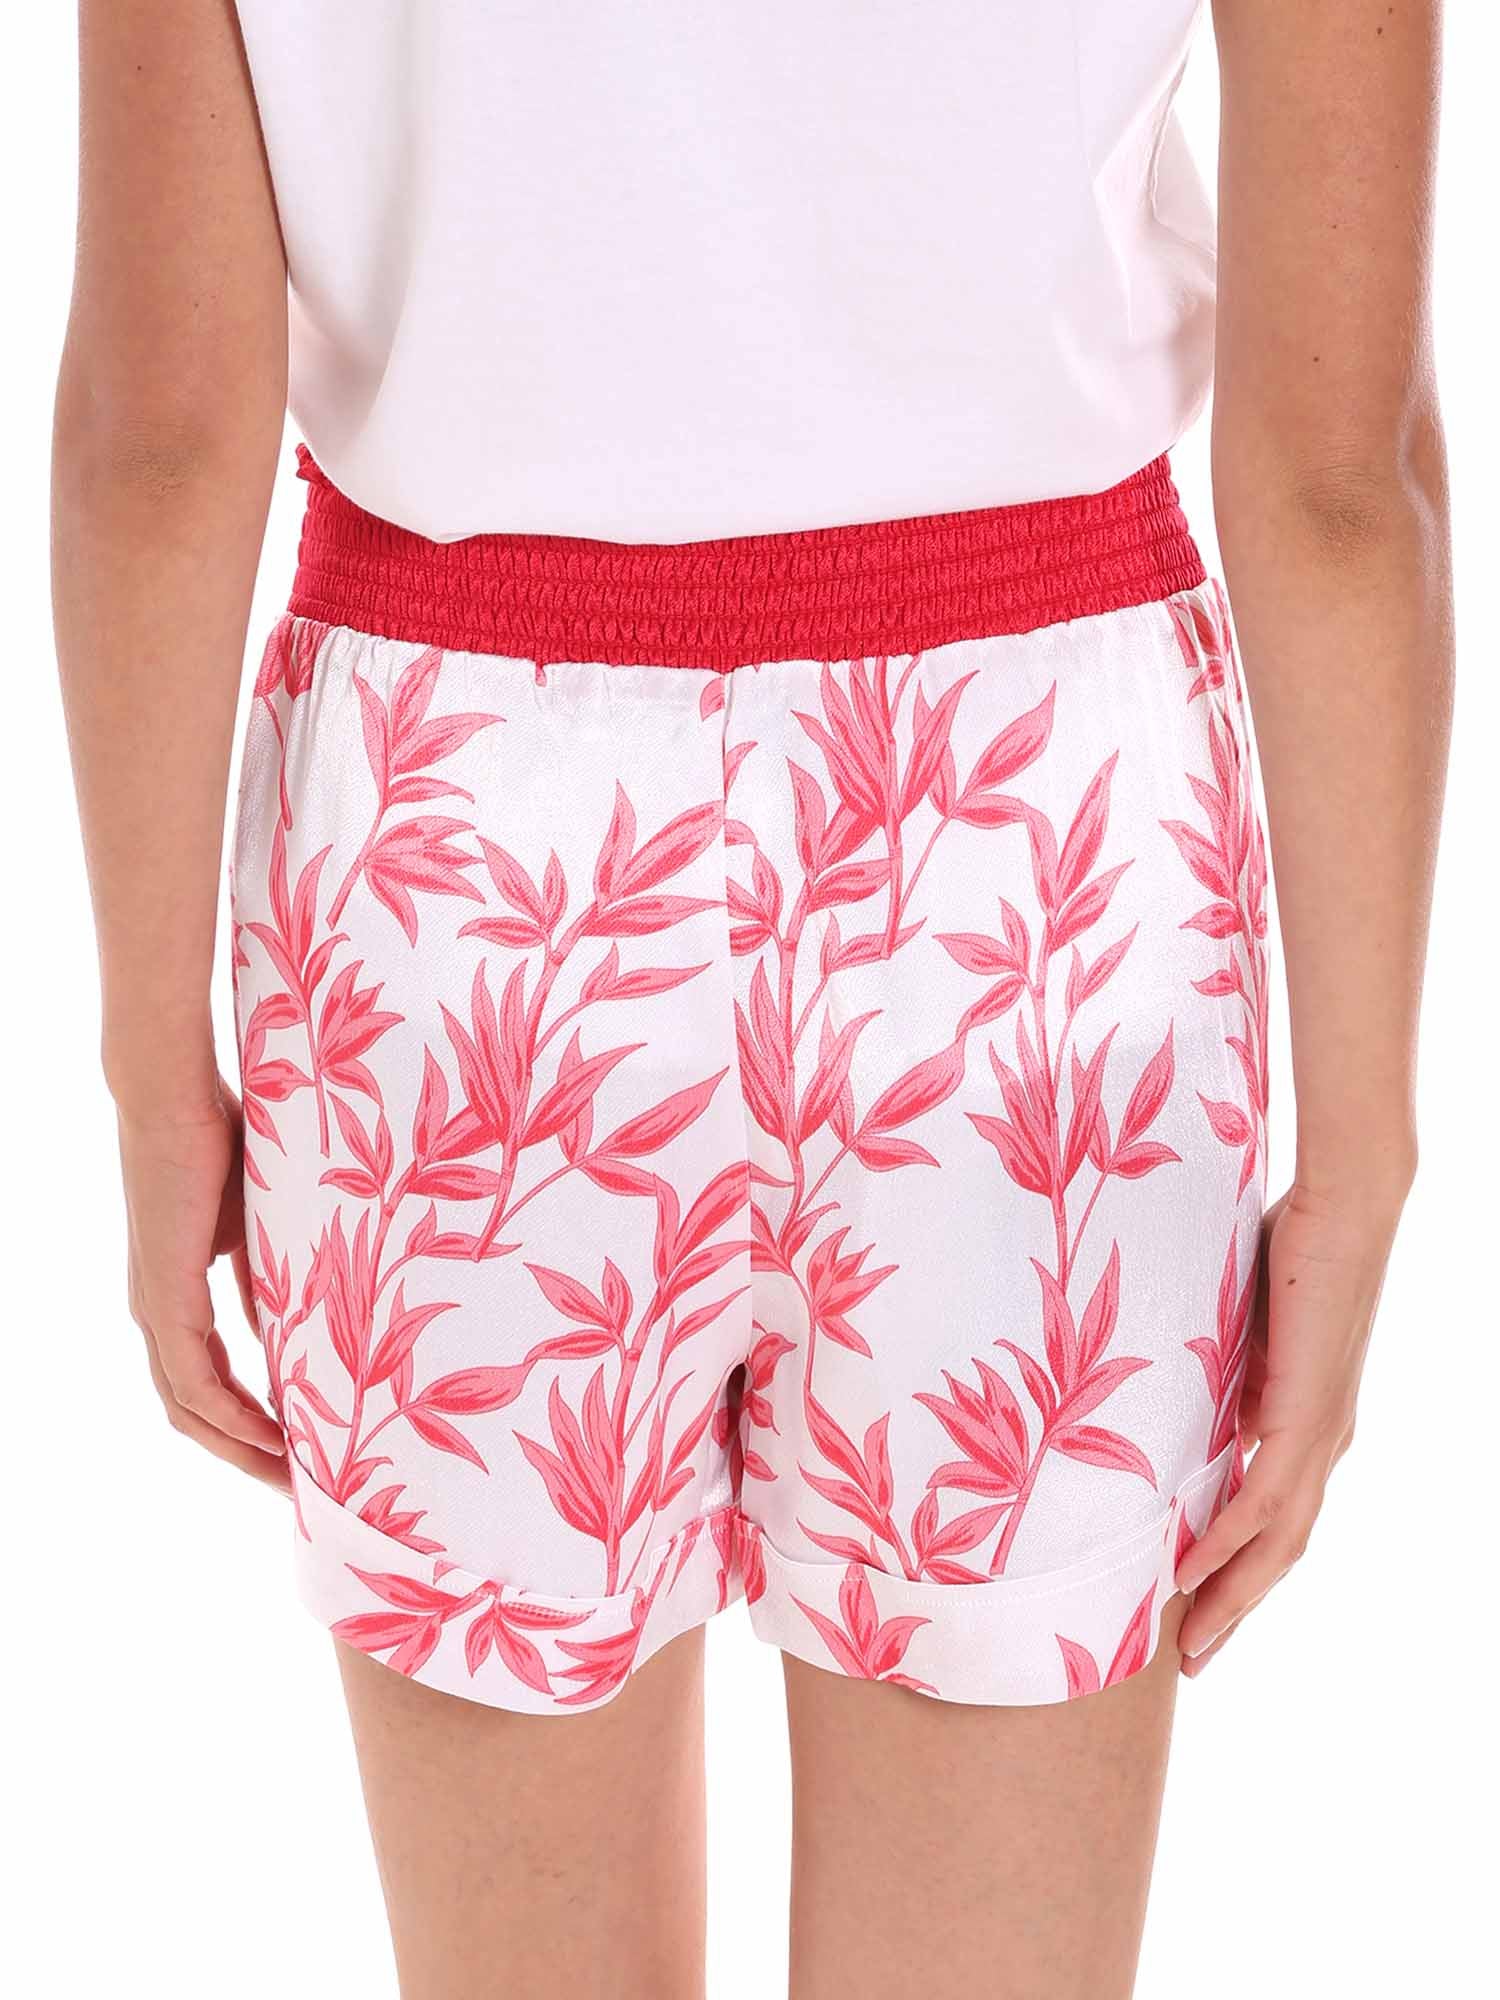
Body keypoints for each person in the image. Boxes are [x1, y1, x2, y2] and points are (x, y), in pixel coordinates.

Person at [51, 2, 1451, 1995]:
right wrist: (1365, 1149)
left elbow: (159, 440)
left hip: (464, 881)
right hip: (1032, 881)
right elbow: (1340, 482)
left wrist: (150, 1072)